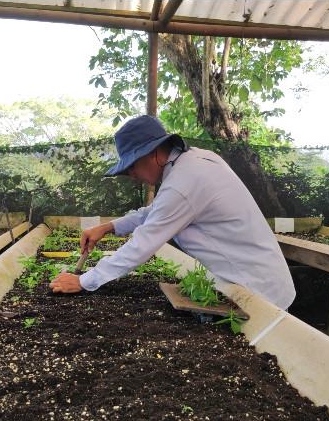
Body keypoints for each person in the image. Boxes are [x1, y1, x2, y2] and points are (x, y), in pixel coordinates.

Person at [49, 115, 295, 309]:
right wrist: (108, 227)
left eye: (132, 166)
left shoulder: (183, 183)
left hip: (259, 290)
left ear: (154, 152)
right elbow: (155, 211)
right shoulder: (195, 162)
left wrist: (84, 281)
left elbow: (142, 244)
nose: (132, 176)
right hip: (256, 279)